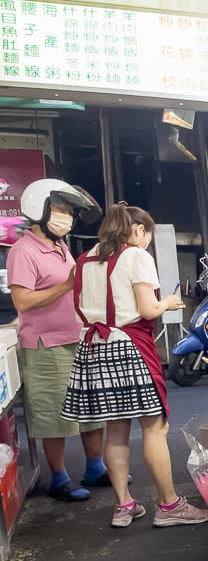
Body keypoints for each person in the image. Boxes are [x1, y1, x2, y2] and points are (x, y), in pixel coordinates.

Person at [60, 203, 208, 529]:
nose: (147, 241)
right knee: (155, 429)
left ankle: (124, 505)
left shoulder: (85, 260)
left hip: (94, 349)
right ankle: (170, 505)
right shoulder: (136, 256)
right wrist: (168, 302)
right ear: (139, 231)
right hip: (130, 349)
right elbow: (147, 309)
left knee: (116, 430)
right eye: (148, 234)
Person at [7, 179, 109, 502]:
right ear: (41, 209)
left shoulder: (60, 246)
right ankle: (59, 478)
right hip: (45, 346)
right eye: (61, 209)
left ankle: (95, 467)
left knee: (91, 407)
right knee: (55, 413)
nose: (66, 217)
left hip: (76, 338)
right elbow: (22, 301)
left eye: (70, 212)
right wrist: (66, 286)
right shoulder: (24, 251)